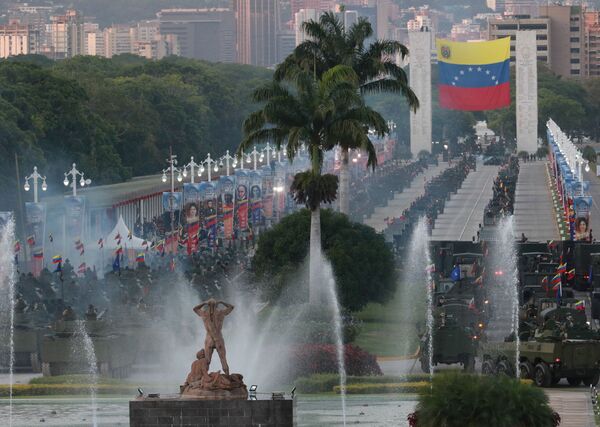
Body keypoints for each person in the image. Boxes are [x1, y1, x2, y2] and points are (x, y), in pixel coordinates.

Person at [193, 299, 234, 375]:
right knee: (223, 360)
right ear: (216, 305)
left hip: (209, 340)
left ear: (208, 305)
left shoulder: (204, 314)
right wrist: (222, 302)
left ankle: (203, 379)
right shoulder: (221, 313)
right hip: (219, 339)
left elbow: (195, 309)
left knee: (207, 361)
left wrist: (204, 303)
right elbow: (231, 307)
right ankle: (228, 378)